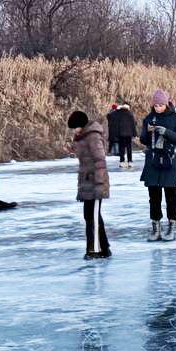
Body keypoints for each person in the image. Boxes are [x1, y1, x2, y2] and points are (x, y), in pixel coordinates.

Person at [140, 89, 176, 241]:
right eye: (155, 105)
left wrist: (166, 132)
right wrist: (147, 132)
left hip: (170, 162)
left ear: (166, 104)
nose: (158, 108)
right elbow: (143, 140)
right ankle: (156, 227)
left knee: (170, 195)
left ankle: (172, 226)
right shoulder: (149, 118)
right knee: (153, 196)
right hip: (153, 162)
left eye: (161, 105)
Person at [69, 110, 111, 259]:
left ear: (81, 125)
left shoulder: (92, 136)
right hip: (87, 182)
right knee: (90, 216)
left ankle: (94, 249)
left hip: (95, 183)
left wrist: (99, 184)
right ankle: (104, 248)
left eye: (75, 127)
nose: (74, 131)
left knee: (92, 216)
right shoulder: (83, 137)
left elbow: (100, 161)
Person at [108, 103, 137, 170]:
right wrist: (134, 134)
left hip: (121, 134)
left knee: (122, 148)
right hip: (129, 134)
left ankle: (122, 162)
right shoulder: (130, 114)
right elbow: (133, 124)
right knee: (129, 148)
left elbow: (115, 124)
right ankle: (130, 161)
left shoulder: (118, 114)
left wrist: (115, 134)